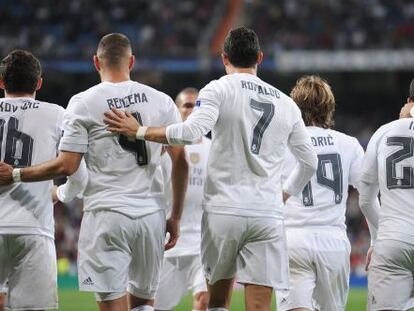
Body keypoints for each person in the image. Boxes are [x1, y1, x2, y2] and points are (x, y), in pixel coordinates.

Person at [103, 27, 318, 311]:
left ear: (224, 57)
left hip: (224, 211)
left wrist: (139, 130)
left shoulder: (218, 89)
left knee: (217, 303)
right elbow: (309, 162)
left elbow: (192, 132)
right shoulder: (287, 104)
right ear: (260, 58)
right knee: (259, 306)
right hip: (267, 212)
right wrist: (284, 194)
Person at [0, 33, 189, 311]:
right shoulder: (161, 101)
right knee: (144, 304)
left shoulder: (85, 102)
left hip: (106, 214)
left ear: (95, 62)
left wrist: (16, 174)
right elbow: (181, 161)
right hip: (150, 215)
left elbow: (69, 165)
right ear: (132, 61)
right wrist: (176, 217)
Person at [276, 76, 379, 311]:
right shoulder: (349, 143)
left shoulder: (281, 143)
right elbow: (368, 196)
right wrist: (377, 238)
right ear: (329, 107)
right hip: (333, 241)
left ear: (295, 108)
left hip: (292, 238)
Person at [0, 49, 65, 310]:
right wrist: (60, 193)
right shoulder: (58, 114)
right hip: (34, 228)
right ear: (39, 82)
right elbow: (78, 171)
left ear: (1, 82)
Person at [360, 79, 414, 311]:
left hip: (394, 240)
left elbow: (365, 198)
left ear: (410, 101)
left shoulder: (385, 131)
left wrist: (377, 237)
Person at [154, 88, 210, 311]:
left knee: (204, 300)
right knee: (155, 305)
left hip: (204, 241)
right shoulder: (162, 148)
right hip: (169, 242)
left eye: (198, 105)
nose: (192, 109)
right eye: (187, 105)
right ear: (176, 110)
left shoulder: (213, 148)